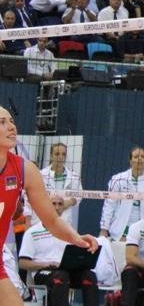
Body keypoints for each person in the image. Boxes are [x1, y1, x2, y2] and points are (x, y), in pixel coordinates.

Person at [0, 107, 98, 304]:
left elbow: (52, 220)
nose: (12, 126)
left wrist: (76, 238)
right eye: (2, 122)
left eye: (12, 121)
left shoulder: (25, 170)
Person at [17, 197, 101, 306]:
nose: (57, 207)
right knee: (61, 276)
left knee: (89, 276)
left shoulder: (68, 230)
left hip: (67, 270)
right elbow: (22, 263)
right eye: (54, 204)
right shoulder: (32, 232)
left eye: (60, 204)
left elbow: (76, 251)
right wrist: (47, 264)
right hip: (43, 271)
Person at [100, 146, 144, 241]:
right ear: (130, 161)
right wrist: (104, 229)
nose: (140, 159)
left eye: (142, 156)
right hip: (122, 229)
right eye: (136, 157)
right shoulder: (118, 179)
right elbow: (109, 205)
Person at [40, 141, 82, 230]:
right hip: (45, 219)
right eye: (57, 154)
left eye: (63, 154)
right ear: (51, 156)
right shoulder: (41, 175)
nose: (60, 157)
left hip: (66, 220)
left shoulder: (73, 176)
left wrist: (68, 203)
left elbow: (79, 195)